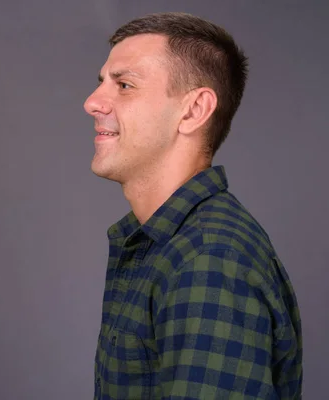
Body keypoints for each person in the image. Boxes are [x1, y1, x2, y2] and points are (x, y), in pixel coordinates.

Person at [83, 12, 302, 399]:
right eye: (102, 83)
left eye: (124, 85)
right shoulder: (165, 245)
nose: (93, 102)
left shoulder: (208, 261)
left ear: (193, 110)